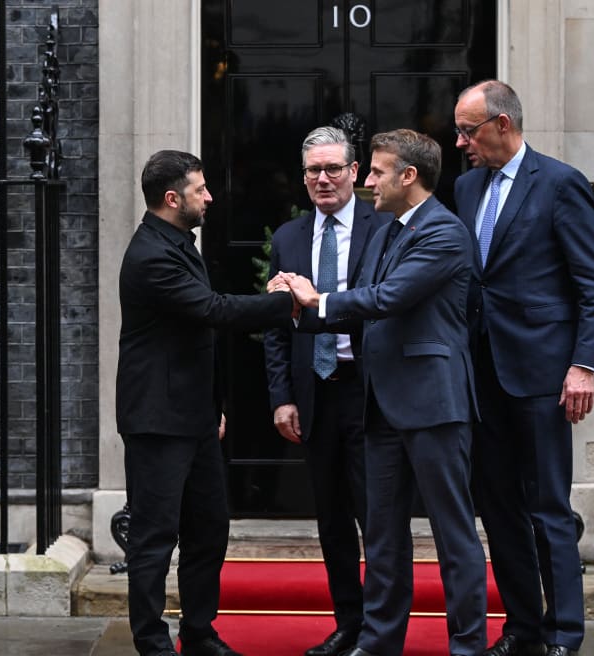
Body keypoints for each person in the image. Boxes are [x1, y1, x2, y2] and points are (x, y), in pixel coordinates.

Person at [278, 129, 488, 656]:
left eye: (375, 172)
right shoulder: (389, 231)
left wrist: (318, 300)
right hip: (381, 406)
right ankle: (377, 643)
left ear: (408, 176)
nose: (367, 181)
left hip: (434, 404)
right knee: (383, 536)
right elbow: (361, 305)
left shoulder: (444, 232)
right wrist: (291, 308)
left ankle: (466, 646)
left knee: (453, 534)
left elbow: (388, 297)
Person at [452, 80, 594, 656]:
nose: (461, 141)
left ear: (502, 124)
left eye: (468, 130)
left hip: (543, 373)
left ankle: (564, 633)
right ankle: (521, 627)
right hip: (481, 372)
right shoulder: (466, 187)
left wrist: (583, 365)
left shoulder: (560, 183)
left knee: (548, 507)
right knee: (496, 507)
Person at [116, 150, 297, 656]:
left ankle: (198, 632)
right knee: (154, 539)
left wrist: (212, 406)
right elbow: (212, 311)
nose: (209, 197)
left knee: (210, 529)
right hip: (156, 420)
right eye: (200, 189)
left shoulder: (178, 243)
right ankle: (153, 644)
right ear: (172, 198)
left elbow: (191, 335)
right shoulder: (151, 255)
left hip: (192, 417)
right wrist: (289, 303)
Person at [263, 126, 391, 656]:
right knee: (333, 520)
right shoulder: (289, 238)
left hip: (370, 393)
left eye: (333, 168)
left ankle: (383, 630)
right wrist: (281, 396)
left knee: (377, 518)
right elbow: (275, 326)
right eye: (313, 170)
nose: (322, 179)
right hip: (314, 395)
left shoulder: (383, 227)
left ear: (354, 172)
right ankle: (349, 625)